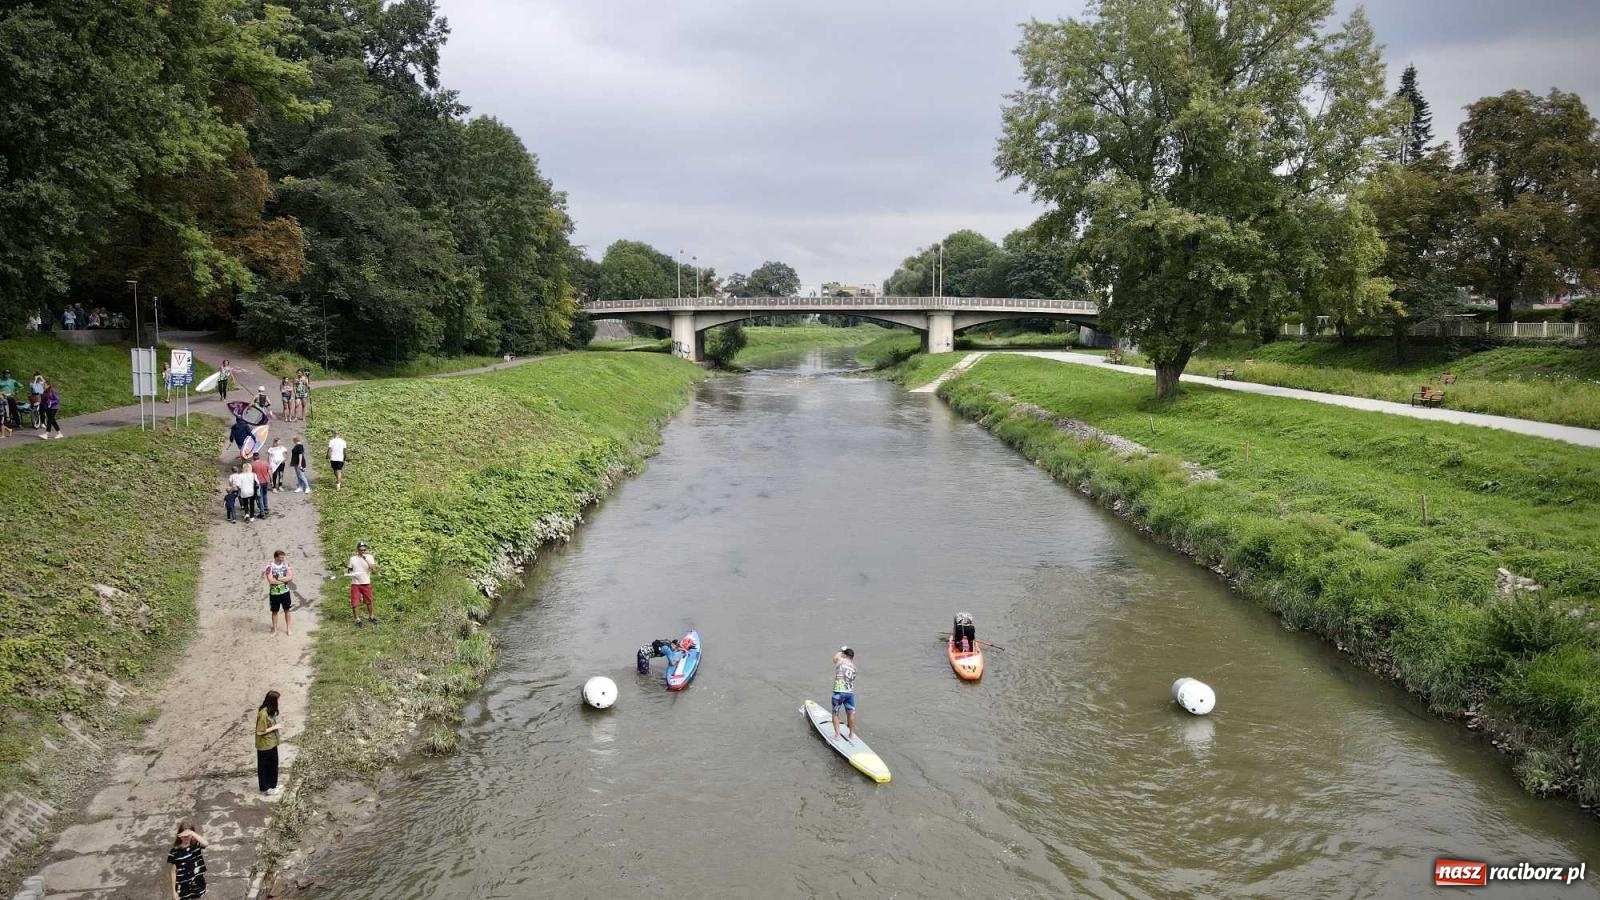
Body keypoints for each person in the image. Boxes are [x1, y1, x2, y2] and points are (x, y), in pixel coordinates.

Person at [166, 821, 208, 900]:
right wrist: (173, 892)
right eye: (184, 835)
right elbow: (173, 872)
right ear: (179, 835)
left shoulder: (196, 845)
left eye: (188, 835)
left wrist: (192, 833)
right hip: (183, 885)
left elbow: (206, 843)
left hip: (197, 882)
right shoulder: (175, 852)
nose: (186, 837)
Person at [255, 690, 282, 795]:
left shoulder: (270, 711)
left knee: (273, 764)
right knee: (264, 767)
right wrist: (275, 727)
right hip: (265, 745)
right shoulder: (263, 714)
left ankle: (272, 785)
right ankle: (265, 788)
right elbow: (259, 731)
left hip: (272, 743)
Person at [831, 646, 857, 743]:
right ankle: (851, 734)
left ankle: (837, 735)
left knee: (835, 712)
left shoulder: (841, 661)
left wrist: (841, 650)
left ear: (845, 655)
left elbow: (834, 658)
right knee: (851, 713)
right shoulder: (854, 667)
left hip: (839, 692)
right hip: (850, 692)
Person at [347, 541, 377, 626]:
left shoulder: (369, 557)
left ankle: (371, 616)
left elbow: (374, 570)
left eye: (364, 550)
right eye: (361, 550)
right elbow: (349, 569)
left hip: (366, 582)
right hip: (355, 583)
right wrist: (350, 573)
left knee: (369, 601)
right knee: (355, 602)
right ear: (357, 550)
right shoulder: (353, 558)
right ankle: (357, 619)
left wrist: (366, 560)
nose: (363, 551)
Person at [265, 550, 293, 635]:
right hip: (274, 593)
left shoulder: (286, 565)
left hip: (285, 592)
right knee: (274, 611)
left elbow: (290, 578)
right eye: (281, 557)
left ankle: (288, 629)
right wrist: (284, 579)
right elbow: (271, 581)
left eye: (283, 557)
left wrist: (278, 579)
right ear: (276, 557)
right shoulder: (269, 567)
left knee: (287, 610)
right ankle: (275, 630)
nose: (283, 559)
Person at [250, 453, 271, 518]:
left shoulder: (252, 465)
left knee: (259, 497)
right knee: (265, 495)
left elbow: (251, 475)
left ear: (253, 457)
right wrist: (271, 480)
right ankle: (266, 508)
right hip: (265, 482)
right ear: (259, 457)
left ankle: (262, 513)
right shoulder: (265, 463)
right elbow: (270, 472)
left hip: (258, 483)